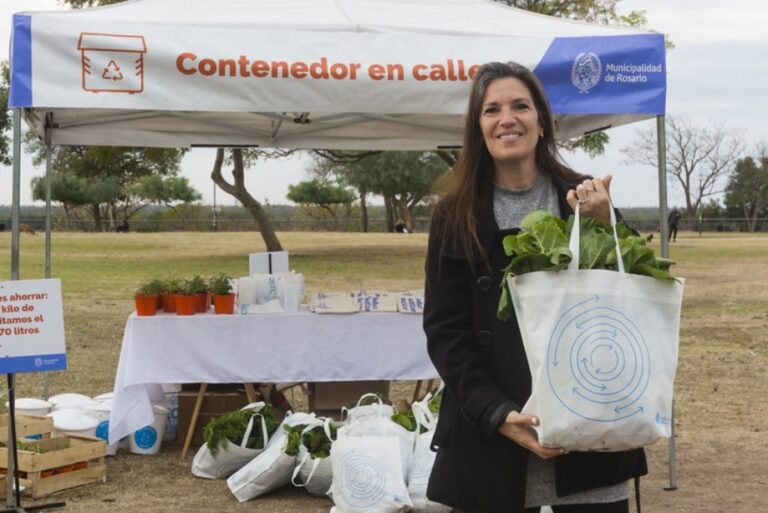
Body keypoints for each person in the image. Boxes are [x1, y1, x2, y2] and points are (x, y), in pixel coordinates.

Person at [423, 62, 647, 513]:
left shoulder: (585, 198)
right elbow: (446, 332)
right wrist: (495, 413)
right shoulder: (454, 215)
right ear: (478, 127)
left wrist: (608, 227)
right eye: (492, 110)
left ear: (541, 121)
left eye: (520, 106)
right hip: (491, 439)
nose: (507, 119)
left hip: (590, 439)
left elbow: (634, 301)